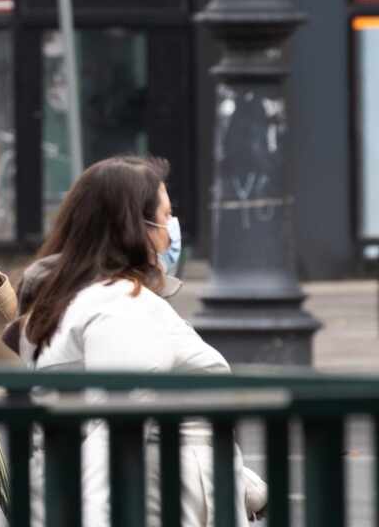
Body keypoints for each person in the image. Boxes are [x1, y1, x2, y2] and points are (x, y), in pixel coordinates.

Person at [14, 155, 267, 525]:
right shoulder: (121, 305)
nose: (171, 229)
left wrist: (245, 484)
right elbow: (116, 428)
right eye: (165, 217)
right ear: (136, 227)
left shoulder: (68, 302)